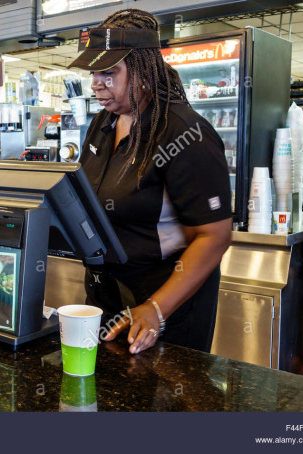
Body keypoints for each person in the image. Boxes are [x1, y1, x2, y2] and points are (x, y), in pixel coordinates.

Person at [67, 8, 232, 355]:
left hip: (162, 307)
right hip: (105, 298)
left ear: (143, 70)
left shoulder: (186, 133)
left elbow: (214, 236)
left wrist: (157, 309)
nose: (97, 83)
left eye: (109, 72)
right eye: (95, 73)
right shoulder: (102, 123)